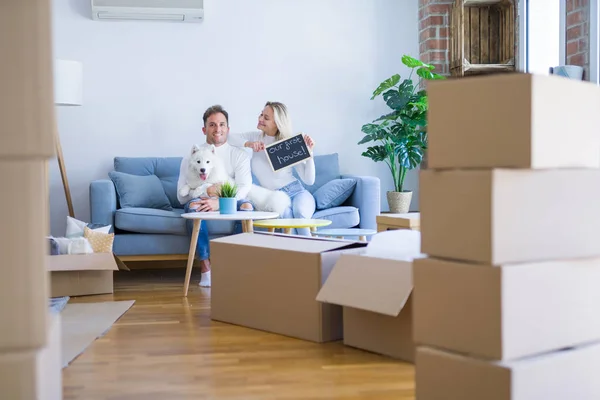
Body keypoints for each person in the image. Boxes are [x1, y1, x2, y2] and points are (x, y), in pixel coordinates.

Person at [177, 105, 253, 287]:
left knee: (247, 207)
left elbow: (244, 187)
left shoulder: (239, 155)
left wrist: (221, 202)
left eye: (222, 124)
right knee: (194, 207)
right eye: (212, 125)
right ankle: (206, 268)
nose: (217, 129)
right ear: (204, 129)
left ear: (228, 128)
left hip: (232, 200)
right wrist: (207, 192)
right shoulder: (192, 157)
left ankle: (231, 264)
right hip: (200, 200)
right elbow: (181, 198)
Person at [227, 101, 316, 235]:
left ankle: (310, 253)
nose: (260, 119)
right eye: (261, 115)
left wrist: (309, 153)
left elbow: (309, 180)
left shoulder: (288, 143)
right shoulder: (255, 137)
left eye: (266, 118)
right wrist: (249, 144)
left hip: (296, 192)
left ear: (277, 123)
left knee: (300, 214)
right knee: (286, 218)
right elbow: (228, 138)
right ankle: (296, 254)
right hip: (275, 196)